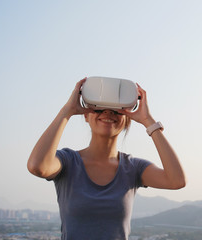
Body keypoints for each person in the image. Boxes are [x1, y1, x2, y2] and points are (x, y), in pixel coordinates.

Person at [27, 78, 186, 240]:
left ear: (126, 121)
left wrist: (148, 121)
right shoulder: (67, 161)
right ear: (86, 116)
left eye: (117, 110)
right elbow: (37, 166)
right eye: (99, 108)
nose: (108, 113)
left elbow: (176, 180)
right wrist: (67, 111)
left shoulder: (133, 167)